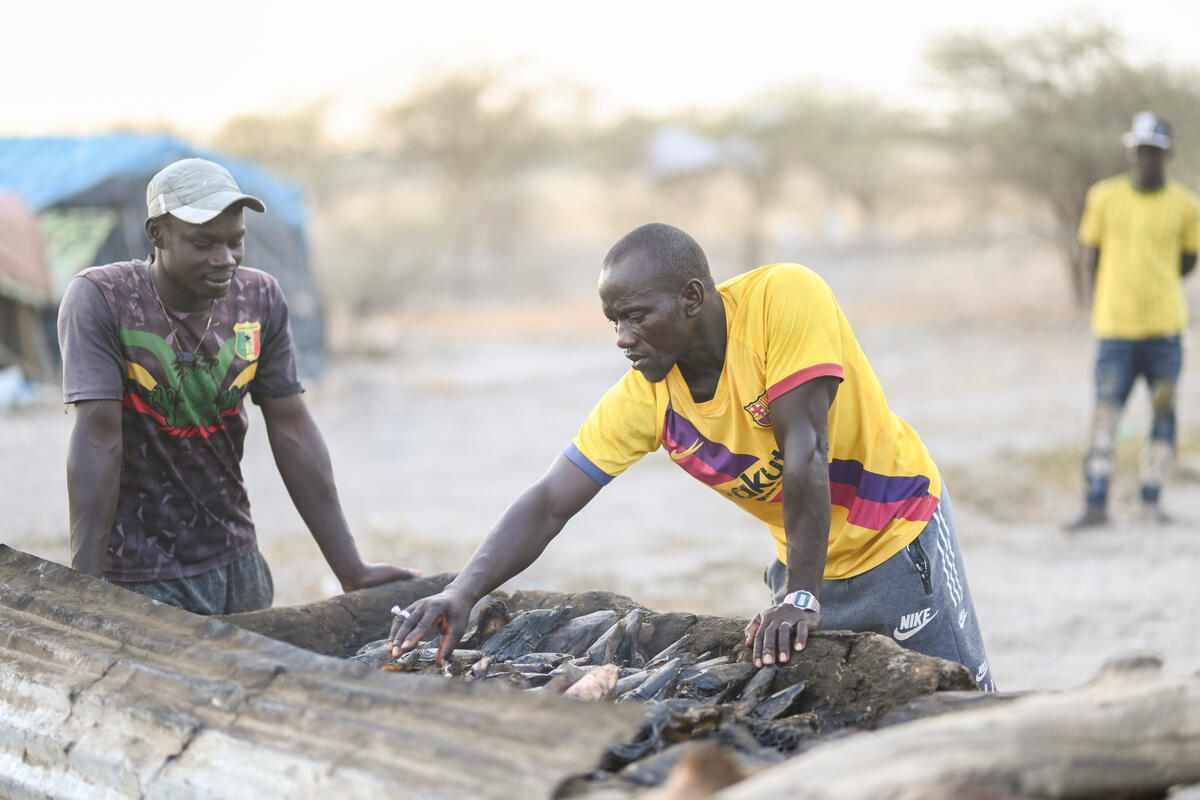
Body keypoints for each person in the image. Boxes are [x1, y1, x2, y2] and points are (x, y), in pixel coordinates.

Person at [388, 223, 994, 689]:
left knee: (959, 707)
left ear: (692, 297)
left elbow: (805, 451)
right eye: (612, 321)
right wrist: (461, 593)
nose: (622, 339)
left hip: (897, 535)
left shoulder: (784, 298)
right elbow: (549, 502)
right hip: (803, 564)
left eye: (635, 316)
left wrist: (800, 598)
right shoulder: (650, 395)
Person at [58, 157, 419, 614]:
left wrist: (350, 567)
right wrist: (83, 587)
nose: (224, 259)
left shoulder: (259, 298)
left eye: (236, 242)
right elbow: (97, 437)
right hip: (140, 578)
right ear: (157, 235)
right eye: (203, 243)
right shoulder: (102, 299)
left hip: (239, 567)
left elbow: (292, 429)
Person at [1066, 112, 1200, 529]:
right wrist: (1104, 303)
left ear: (1167, 154)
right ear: (1130, 152)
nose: (1145, 158)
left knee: (1163, 416)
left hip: (1165, 332)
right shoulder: (1103, 197)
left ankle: (1151, 499)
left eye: (1153, 151)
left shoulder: (1186, 205)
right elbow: (1093, 256)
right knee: (1105, 416)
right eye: (1139, 150)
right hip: (1115, 333)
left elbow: (1186, 262)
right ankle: (1095, 503)